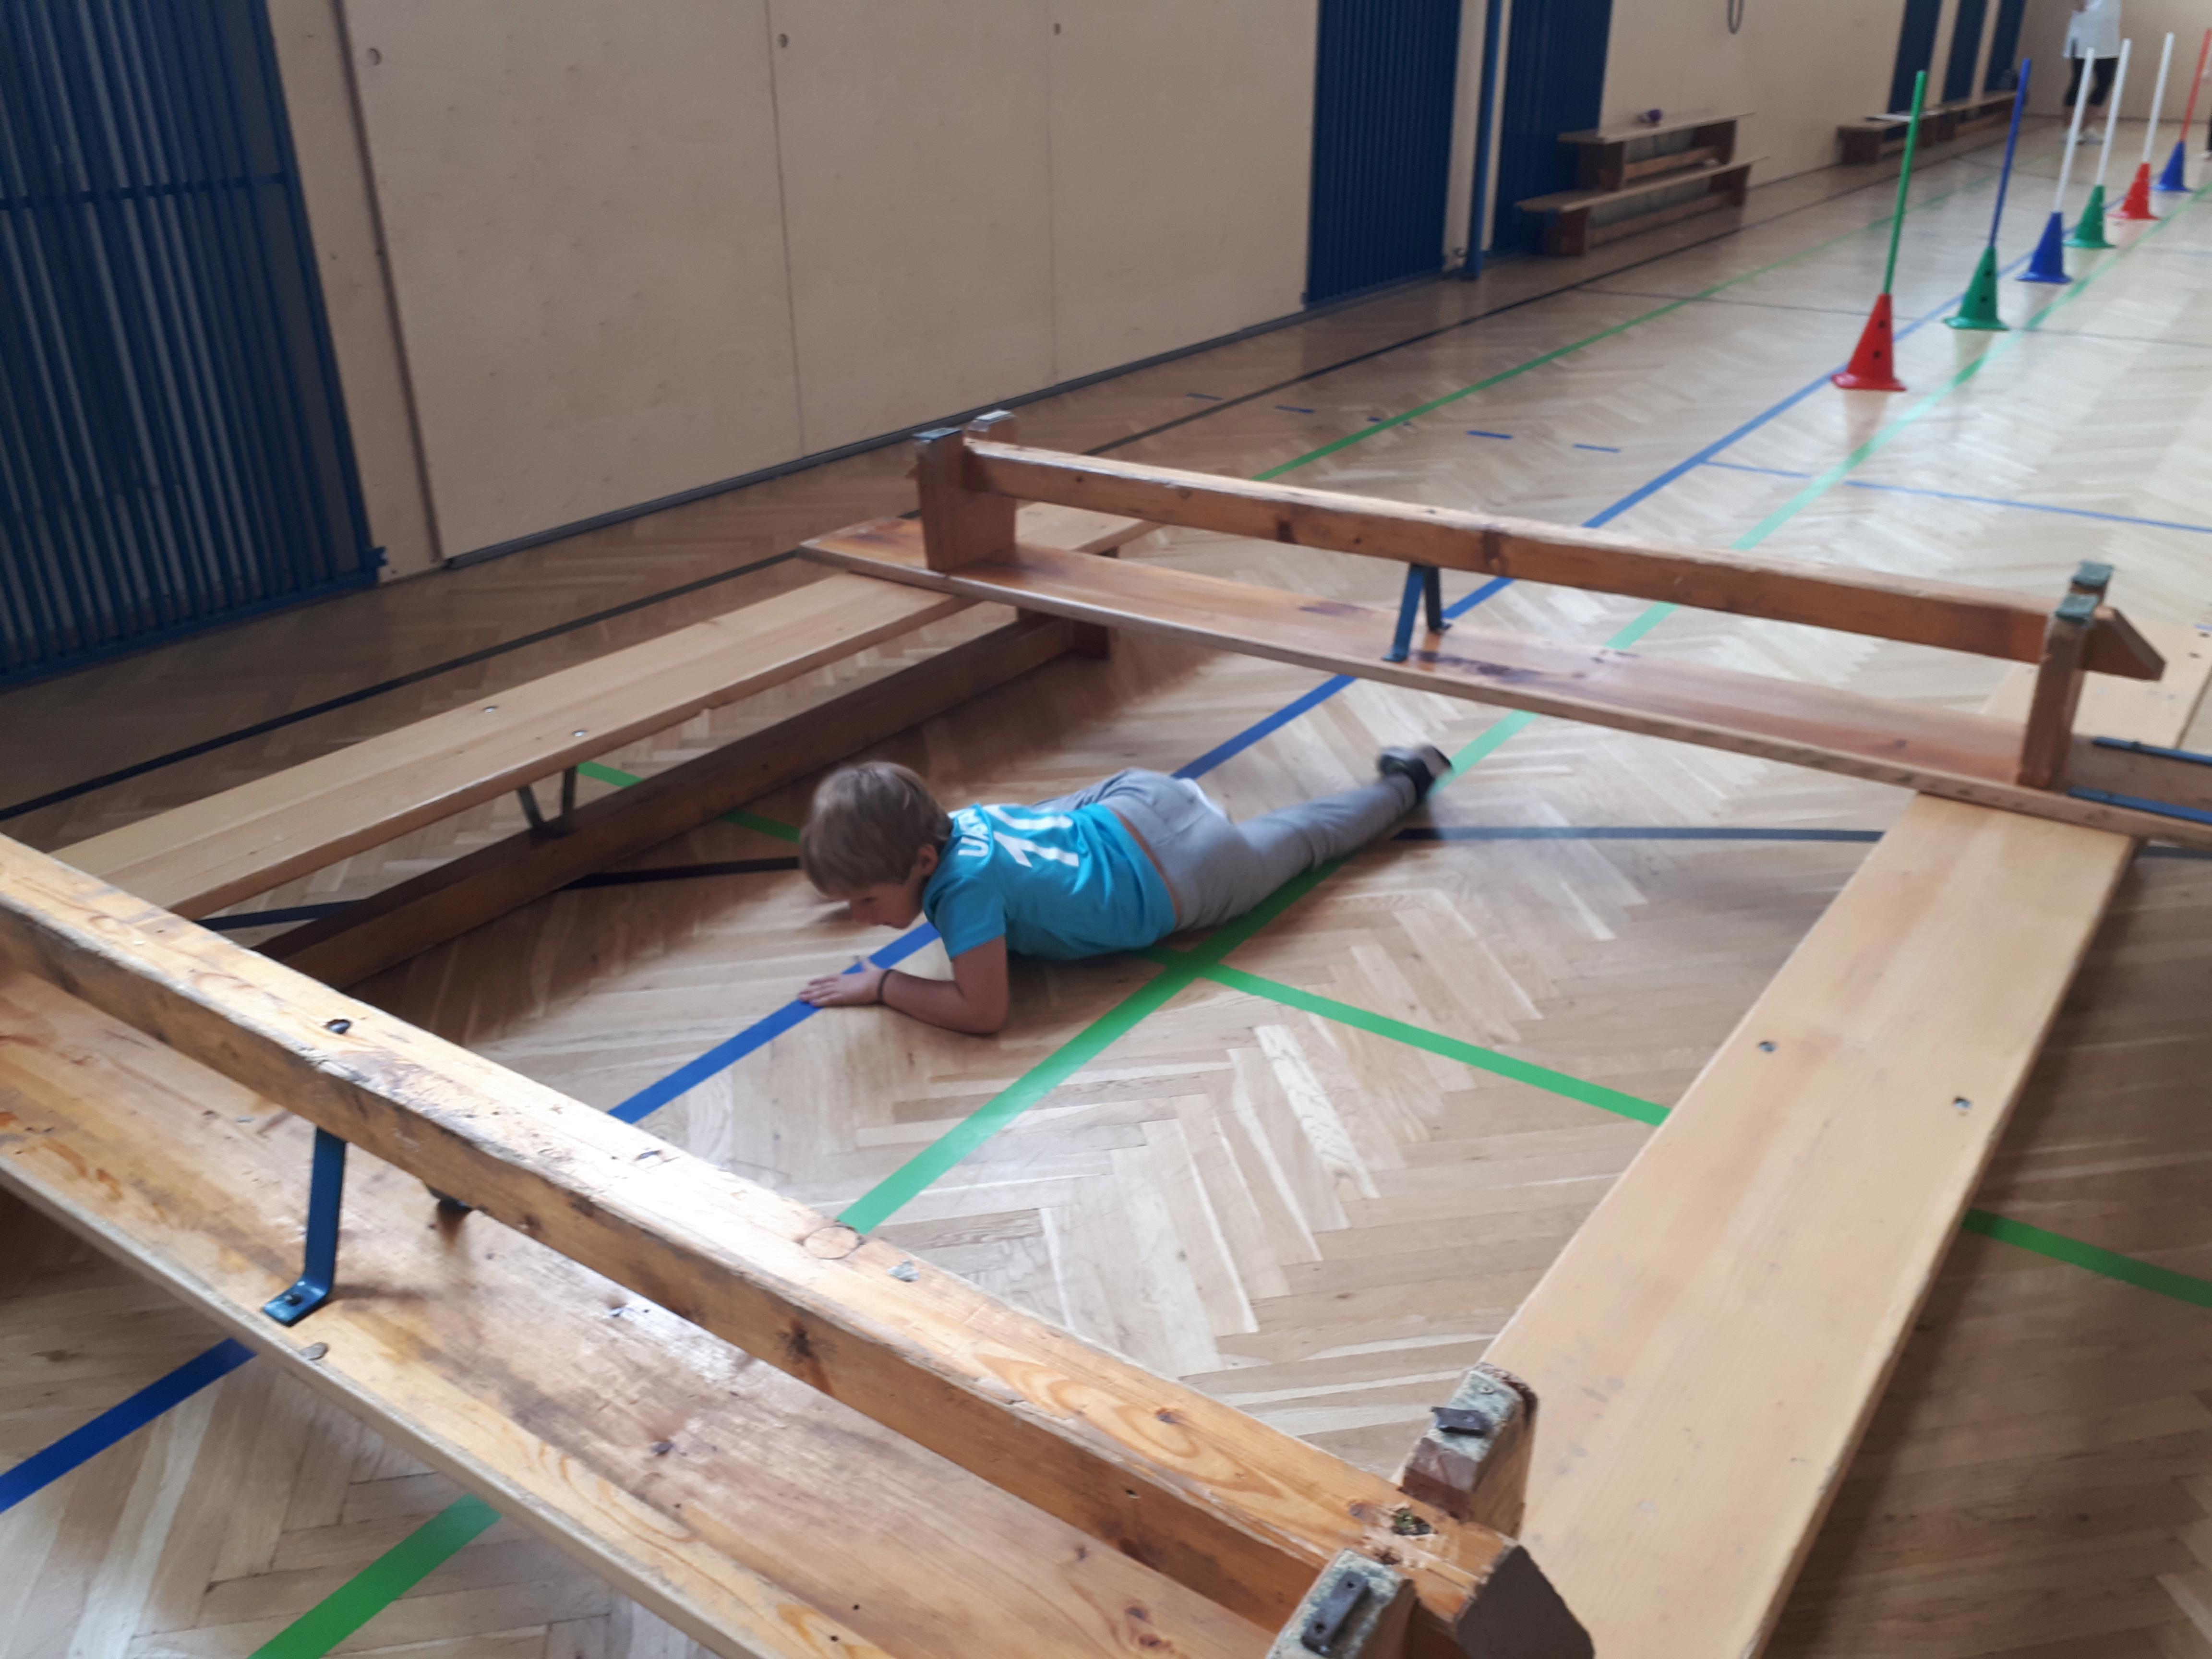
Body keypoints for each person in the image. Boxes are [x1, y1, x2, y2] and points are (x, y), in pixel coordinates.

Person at [796, 748, 1450, 1034]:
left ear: (921, 860)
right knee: (1056, 818)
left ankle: (1411, 781)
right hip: (1140, 797)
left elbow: (983, 1011)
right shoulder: (960, 821)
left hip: (1194, 873)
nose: (859, 917)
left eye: (866, 901)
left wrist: (883, 986)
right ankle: (1403, 775)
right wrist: (858, 881)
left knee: (1309, 838)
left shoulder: (964, 894)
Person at [2064, 0, 2122, 108]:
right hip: (2083, 34)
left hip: (2108, 35)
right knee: (2079, 81)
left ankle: (2089, 119)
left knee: (2105, 81)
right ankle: (2070, 119)